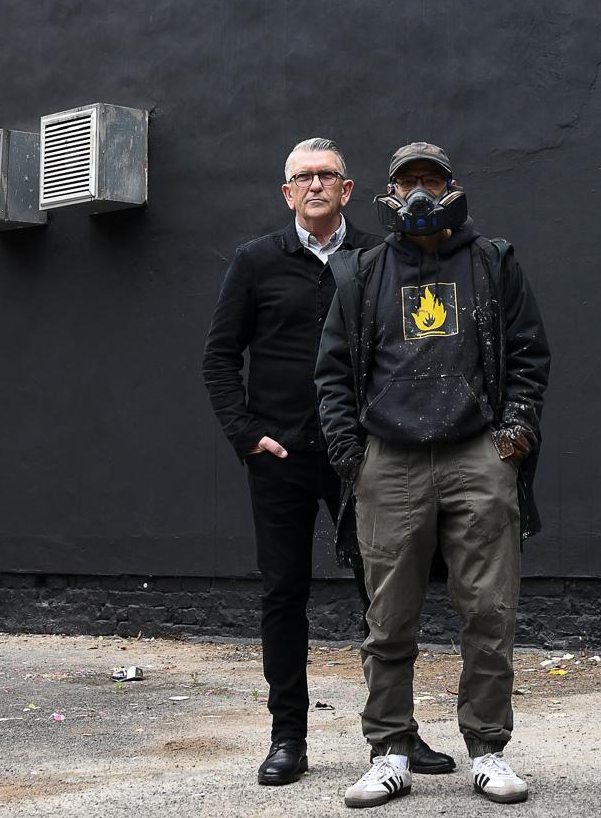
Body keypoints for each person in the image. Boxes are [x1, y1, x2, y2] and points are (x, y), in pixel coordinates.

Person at [202, 137, 454, 787]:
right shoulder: (256, 261)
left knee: (386, 595)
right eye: (302, 177)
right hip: (281, 457)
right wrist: (247, 434)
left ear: (347, 189)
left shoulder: (379, 256)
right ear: (288, 193)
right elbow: (220, 357)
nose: (315, 185)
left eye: (327, 176)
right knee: (284, 594)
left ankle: (396, 737)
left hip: (366, 455)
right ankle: (288, 739)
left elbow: (411, 346)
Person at [316, 142, 551, 808]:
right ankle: (389, 752)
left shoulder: (492, 261)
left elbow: (530, 352)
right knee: (388, 617)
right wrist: (349, 454)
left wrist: (516, 432)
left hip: (479, 452)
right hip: (388, 458)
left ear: (453, 187)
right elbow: (332, 371)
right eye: (407, 182)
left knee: (488, 610)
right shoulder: (360, 271)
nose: (420, 194)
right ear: (388, 194)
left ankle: (488, 750)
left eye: (431, 181)